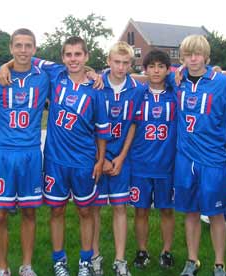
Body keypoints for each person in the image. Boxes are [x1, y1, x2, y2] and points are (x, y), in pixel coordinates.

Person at [0, 36, 110, 276]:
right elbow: (24, 56)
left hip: (83, 161)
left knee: (85, 211)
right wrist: (6, 66)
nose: (73, 59)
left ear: (86, 57)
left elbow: (102, 130)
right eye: (68, 54)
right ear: (62, 57)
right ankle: (59, 260)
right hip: (55, 160)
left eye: (78, 54)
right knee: (56, 210)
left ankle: (85, 260)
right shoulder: (55, 74)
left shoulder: (97, 89)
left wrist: (100, 159)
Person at [0, 28, 50, 276]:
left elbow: (72, 70)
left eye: (28, 45)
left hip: (31, 153)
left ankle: (27, 265)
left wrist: (89, 72)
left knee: (29, 211)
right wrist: (3, 66)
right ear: (11, 48)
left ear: (34, 49)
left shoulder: (44, 76)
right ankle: (3, 267)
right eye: (18, 45)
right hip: (2, 154)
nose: (23, 50)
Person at [171, 35, 226, 276]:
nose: (193, 58)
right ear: (182, 58)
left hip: (213, 160)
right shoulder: (177, 80)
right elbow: (146, 77)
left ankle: (219, 264)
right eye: (188, 55)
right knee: (191, 212)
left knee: (216, 214)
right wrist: (95, 74)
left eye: (197, 54)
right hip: (185, 159)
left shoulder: (224, 83)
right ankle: (191, 261)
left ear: (206, 56)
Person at [90, 41, 143, 276]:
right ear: (108, 61)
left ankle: (120, 260)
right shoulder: (95, 84)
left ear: (131, 64)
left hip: (121, 157)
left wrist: (121, 157)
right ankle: (94, 257)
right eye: (116, 62)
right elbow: (88, 124)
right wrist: (100, 158)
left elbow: (133, 124)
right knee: (95, 209)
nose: (120, 67)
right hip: (97, 157)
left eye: (125, 63)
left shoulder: (136, 88)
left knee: (120, 207)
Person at [129, 49, 177, 271]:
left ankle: (167, 251)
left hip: (166, 165)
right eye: (152, 66)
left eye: (161, 66)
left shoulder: (176, 93)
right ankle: (142, 250)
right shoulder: (137, 94)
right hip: (140, 164)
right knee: (141, 210)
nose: (156, 70)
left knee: (166, 209)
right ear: (145, 69)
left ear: (168, 69)